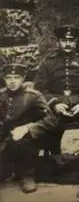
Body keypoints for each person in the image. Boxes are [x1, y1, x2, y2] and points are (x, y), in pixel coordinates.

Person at [34, 25, 79, 152]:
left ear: (76, 42)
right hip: (57, 103)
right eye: (64, 41)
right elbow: (40, 88)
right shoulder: (48, 61)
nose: (68, 44)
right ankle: (54, 158)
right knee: (50, 122)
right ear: (58, 42)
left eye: (71, 41)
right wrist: (55, 104)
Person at [0, 64, 51, 193]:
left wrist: (28, 128)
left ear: (23, 78)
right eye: (8, 78)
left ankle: (27, 175)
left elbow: (51, 120)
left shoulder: (33, 96)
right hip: (5, 139)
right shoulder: (1, 95)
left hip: (26, 140)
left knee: (20, 143)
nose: (12, 81)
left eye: (16, 77)